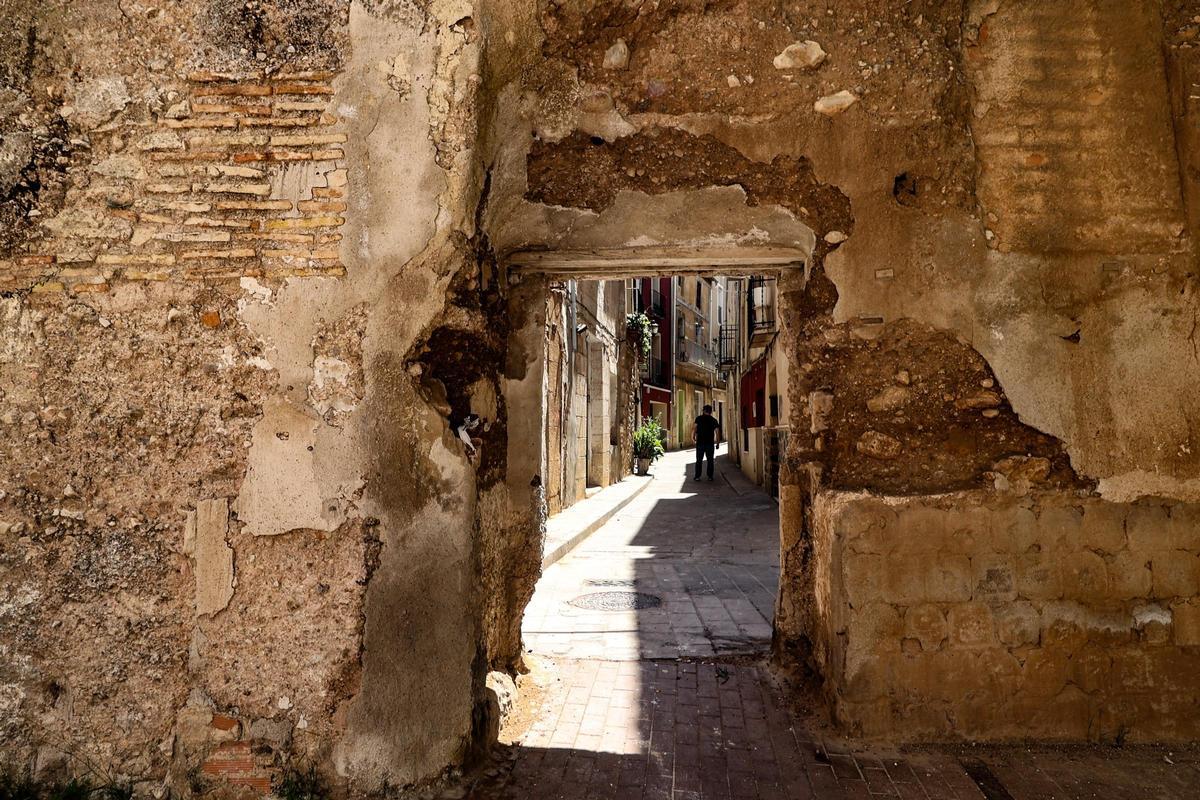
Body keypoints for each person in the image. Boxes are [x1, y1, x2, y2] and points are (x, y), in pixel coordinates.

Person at [691, 405, 722, 481]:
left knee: (699, 460)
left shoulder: (698, 419)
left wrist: (693, 438)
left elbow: (694, 428)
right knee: (710, 460)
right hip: (710, 443)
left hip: (700, 443)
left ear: (703, 411)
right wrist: (718, 443)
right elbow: (717, 432)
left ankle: (697, 476)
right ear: (711, 412)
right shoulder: (714, 420)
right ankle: (710, 476)